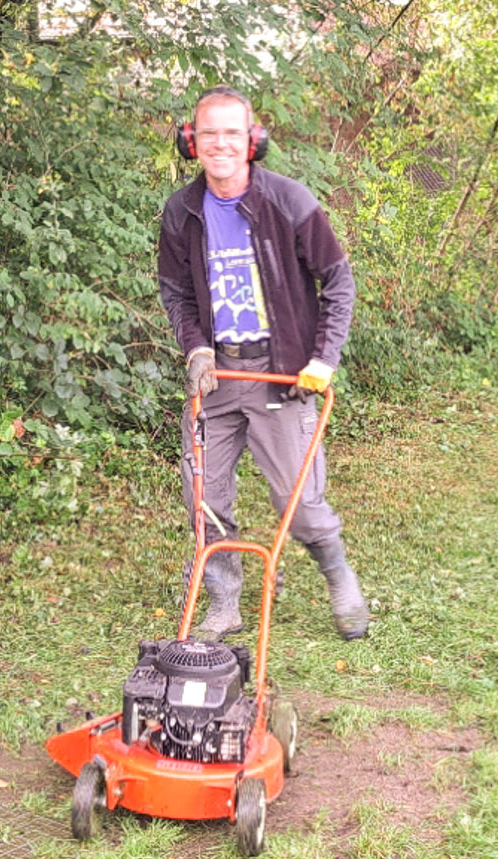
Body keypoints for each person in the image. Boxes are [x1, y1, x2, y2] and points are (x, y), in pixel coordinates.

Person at [156, 85, 368, 641]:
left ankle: (338, 574)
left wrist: (323, 359)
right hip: (218, 378)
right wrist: (196, 347)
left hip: (282, 377)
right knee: (204, 499)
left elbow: (338, 282)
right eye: (208, 133)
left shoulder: (288, 202)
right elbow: (176, 292)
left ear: (253, 140)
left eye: (232, 132)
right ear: (190, 141)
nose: (219, 144)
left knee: (299, 503)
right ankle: (224, 602)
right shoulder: (181, 212)